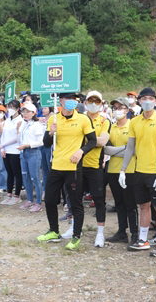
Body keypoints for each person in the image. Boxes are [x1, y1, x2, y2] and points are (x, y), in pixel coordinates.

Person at [37, 92, 96, 251]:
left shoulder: (83, 118)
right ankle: (54, 231)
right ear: (60, 101)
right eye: (68, 99)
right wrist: (51, 132)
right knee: (49, 199)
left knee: (75, 203)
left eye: (73, 99)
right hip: (57, 165)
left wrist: (81, 151)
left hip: (73, 167)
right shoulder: (53, 118)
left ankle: (76, 235)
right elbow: (46, 143)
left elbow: (93, 141)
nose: (71, 102)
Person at [119, 88, 156, 257]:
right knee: (143, 205)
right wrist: (123, 169)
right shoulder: (134, 122)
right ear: (139, 101)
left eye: (151, 98)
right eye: (144, 98)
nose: (147, 101)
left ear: (155, 101)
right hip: (139, 170)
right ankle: (143, 239)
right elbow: (130, 148)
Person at [104, 97, 139, 247]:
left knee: (130, 204)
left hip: (130, 170)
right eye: (115, 107)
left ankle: (135, 233)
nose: (117, 110)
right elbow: (105, 149)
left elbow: (135, 150)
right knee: (119, 203)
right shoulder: (110, 127)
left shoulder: (133, 126)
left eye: (120, 107)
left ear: (127, 110)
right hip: (113, 169)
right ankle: (121, 232)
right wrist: (124, 149)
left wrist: (115, 151)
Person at [81, 91, 111, 247]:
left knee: (99, 200)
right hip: (78, 164)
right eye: (90, 100)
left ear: (101, 103)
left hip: (95, 166)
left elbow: (103, 141)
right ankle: (75, 228)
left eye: (96, 101)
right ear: (85, 102)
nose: (93, 103)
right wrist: (93, 138)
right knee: (74, 199)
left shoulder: (105, 120)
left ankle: (100, 233)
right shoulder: (79, 117)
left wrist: (83, 137)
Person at [18, 102, 46, 213]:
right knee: (26, 177)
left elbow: (40, 142)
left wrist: (28, 145)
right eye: (23, 111)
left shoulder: (37, 125)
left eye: (27, 112)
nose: (25, 114)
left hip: (33, 152)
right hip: (23, 152)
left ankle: (38, 202)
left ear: (33, 113)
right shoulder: (24, 124)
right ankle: (30, 199)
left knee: (35, 178)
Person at [0, 100, 24, 205]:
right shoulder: (8, 120)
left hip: (15, 150)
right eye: (8, 107)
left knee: (17, 173)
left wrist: (4, 145)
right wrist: (2, 148)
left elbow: (17, 138)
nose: (10, 110)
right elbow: (3, 134)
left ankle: (17, 195)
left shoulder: (20, 120)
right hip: (6, 150)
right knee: (9, 172)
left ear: (17, 109)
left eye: (12, 108)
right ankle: (9, 194)